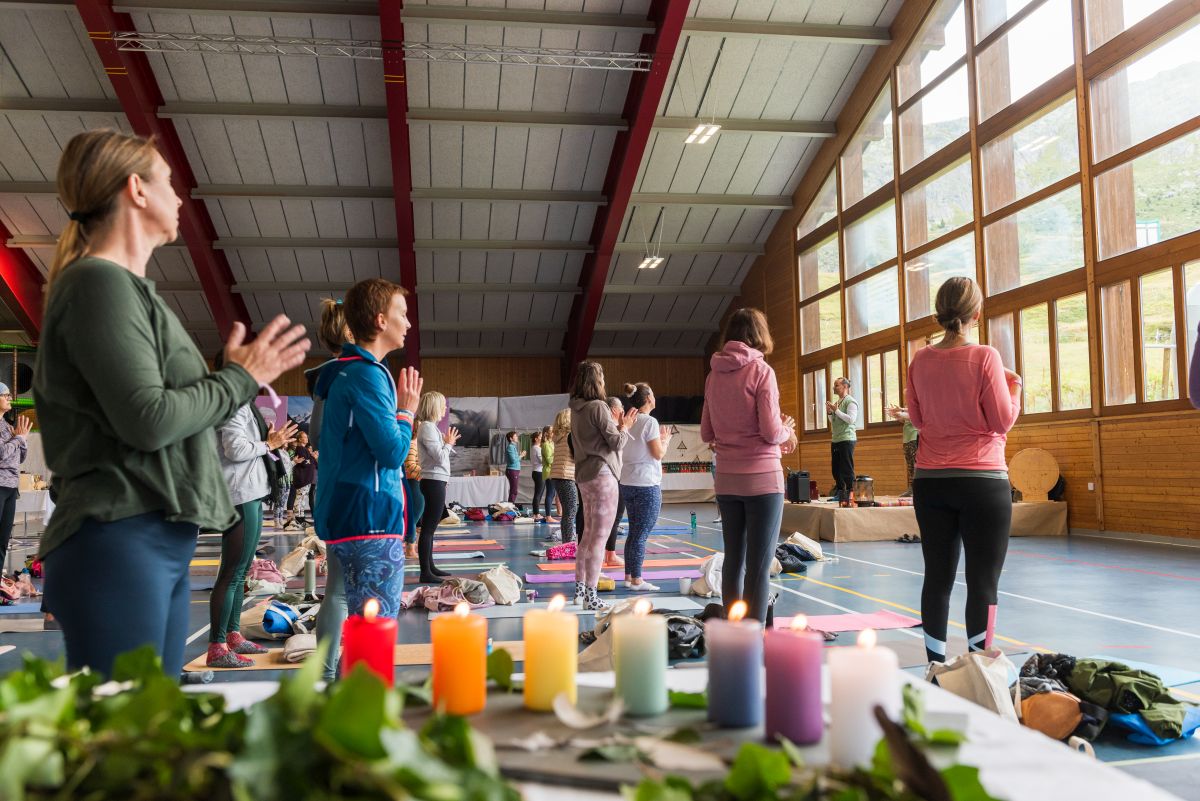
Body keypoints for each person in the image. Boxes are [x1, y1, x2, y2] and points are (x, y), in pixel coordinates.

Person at [33, 129, 308, 677]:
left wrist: (233, 380)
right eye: (168, 182)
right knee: (125, 717)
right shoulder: (97, 285)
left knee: (149, 716)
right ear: (136, 190)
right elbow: (149, 420)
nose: (180, 197)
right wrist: (240, 378)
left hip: (153, 533)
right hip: (119, 532)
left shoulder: (127, 290)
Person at [906, 276, 1022, 664]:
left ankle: (934, 666)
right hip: (981, 480)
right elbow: (1002, 421)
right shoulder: (985, 356)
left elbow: (918, 421)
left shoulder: (920, 360)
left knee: (937, 579)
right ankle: (978, 667)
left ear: (939, 314)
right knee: (982, 582)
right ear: (977, 314)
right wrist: (1015, 390)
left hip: (931, 481)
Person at [314, 278, 421, 619]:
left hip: (353, 513)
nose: (408, 323)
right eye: (402, 314)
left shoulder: (348, 371)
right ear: (380, 320)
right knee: (377, 630)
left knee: (360, 625)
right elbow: (392, 453)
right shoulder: (367, 374)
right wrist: (406, 412)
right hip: (370, 518)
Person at [702, 308, 797, 622]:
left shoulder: (713, 375)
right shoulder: (761, 371)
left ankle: (732, 632)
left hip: (727, 479)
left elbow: (707, 432)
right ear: (759, 334)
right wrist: (787, 432)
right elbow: (771, 431)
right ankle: (753, 638)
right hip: (762, 479)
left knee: (734, 561)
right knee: (758, 566)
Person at [207, 383, 297, 668]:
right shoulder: (233, 403)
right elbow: (234, 449)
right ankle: (217, 646)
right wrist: (269, 444)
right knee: (232, 572)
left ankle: (232, 635)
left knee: (242, 571)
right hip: (240, 494)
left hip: (251, 492)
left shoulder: (244, 404)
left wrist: (269, 442)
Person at [308, 298, 353, 683]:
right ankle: (342, 672)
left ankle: (325, 673)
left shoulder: (324, 378)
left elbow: (316, 436)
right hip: (353, 494)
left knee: (336, 589)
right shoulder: (353, 373)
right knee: (346, 591)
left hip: (334, 490)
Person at [569, 362, 638, 611]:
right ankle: (591, 595)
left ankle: (580, 591)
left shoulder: (575, 409)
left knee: (587, 536)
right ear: (597, 381)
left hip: (584, 475)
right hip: (602, 474)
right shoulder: (598, 407)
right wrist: (625, 426)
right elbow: (616, 442)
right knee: (599, 538)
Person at [619, 382, 672, 591]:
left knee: (634, 532)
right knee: (640, 534)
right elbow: (657, 454)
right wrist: (665, 441)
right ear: (649, 398)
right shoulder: (649, 422)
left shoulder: (629, 421)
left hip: (627, 482)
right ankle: (637, 580)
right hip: (646, 484)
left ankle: (629, 576)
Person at [416, 391, 460, 584]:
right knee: (428, 528)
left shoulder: (431, 427)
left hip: (436, 480)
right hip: (432, 481)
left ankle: (430, 567)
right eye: (442, 405)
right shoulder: (427, 427)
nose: (445, 409)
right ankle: (425, 572)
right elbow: (440, 457)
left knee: (430, 528)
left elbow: (441, 458)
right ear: (434, 407)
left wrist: (447, 443)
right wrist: (448, 444)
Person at [0, 385, 30, 569]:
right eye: (5, 395)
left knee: (3, 540)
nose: (10, 398)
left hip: (11, 488)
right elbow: (2, 453)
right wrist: (18, 439)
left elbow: (19, 458)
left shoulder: (7, 427)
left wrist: (23, 440)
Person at [603, 396, 627, 568]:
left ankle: (607, 554)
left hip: (610, 475)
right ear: (613, 410)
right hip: (612, 476)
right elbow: (618, 445)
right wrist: (625, 428)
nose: (623, 411)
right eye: (621, 408)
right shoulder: (609, 426)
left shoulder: (608, 426)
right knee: (614, 516)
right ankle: (609, 555)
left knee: (608, 517)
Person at [547, 410, 577, 543]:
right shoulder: (570, 436)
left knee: (568, 511)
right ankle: (568, 542)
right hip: (566, 475)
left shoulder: (559, 437)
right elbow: (577, 456)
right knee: (571, 511)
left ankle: (567, 540)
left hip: (558, 475)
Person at [826, 377, 858, 499]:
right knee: (836, 469)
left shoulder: (851, 401)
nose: (834, 387)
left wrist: (837, 411)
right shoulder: (838, 402)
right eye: (834, 385)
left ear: (845, 386)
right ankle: (840, 492)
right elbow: (833, 421)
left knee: (846, 468)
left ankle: (851, 493)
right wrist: (830, 412)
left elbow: (851, 420)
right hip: (836, 439)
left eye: (836, 385)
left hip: (847, 438)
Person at [283, 430, 317, 528]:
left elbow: (312, 463)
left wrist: (311, 459)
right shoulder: (300, 449)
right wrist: (312, 459)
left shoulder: (304, 449)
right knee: (300, 498)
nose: (307, 439)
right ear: (300, 439)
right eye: (304, 437)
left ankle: (301, 518)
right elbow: (305, 463)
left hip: (306, 479)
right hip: (302, 479)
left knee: (302, 499)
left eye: (307, 437)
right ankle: (298, 519)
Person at [886, 405, 919, 498]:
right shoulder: (908, 405)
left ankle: (917, 489)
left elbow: (914, 416)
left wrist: (900, 411)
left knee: (915, 465)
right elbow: (905, 420)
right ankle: (911, 489)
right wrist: (896, 416)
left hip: (914, 437)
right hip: (907, 439)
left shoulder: (918, 404)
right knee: (910, 466)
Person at [403, 436, 424, 560]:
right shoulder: (412, 442)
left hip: (415, 481)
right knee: (412, 517)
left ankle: (411, 547)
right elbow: (410, 465)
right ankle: (410, 549)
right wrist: (427, 473)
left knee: (414, 517)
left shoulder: (415, 442)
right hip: (414, 482)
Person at [540, 425, 558, 523]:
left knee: (552, 493)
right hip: (549, 472)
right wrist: (557, 455)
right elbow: (549, 460)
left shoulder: (552, 443)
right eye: (551, 431)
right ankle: (548, 516)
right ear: (547, 433)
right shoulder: (546, 444)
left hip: (552, 471)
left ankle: (548, 516)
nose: (553, 432)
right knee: (550, 494)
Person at [530, 430, 546, 521]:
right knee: (538, 494)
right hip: (539, 473)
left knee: (538, 494)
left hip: (537, 472)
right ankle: (536, 514)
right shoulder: (537, 448)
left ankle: (536, 513)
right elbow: (542, 461)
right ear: (536, 439)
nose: (542, 438)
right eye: (540, 436)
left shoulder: (535, 447)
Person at [504, 431, 523, 504]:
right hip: (512, 470)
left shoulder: (513, 447)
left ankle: (510, 505)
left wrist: (520, 455)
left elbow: (515, 459)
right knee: (514, 490)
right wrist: (521, 455)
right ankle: (510, 506)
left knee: (514, 489)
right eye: (515, 436)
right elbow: (513, 460)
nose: (517, 437)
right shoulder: (510, 447)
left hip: (514, 470)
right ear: (511, 438)